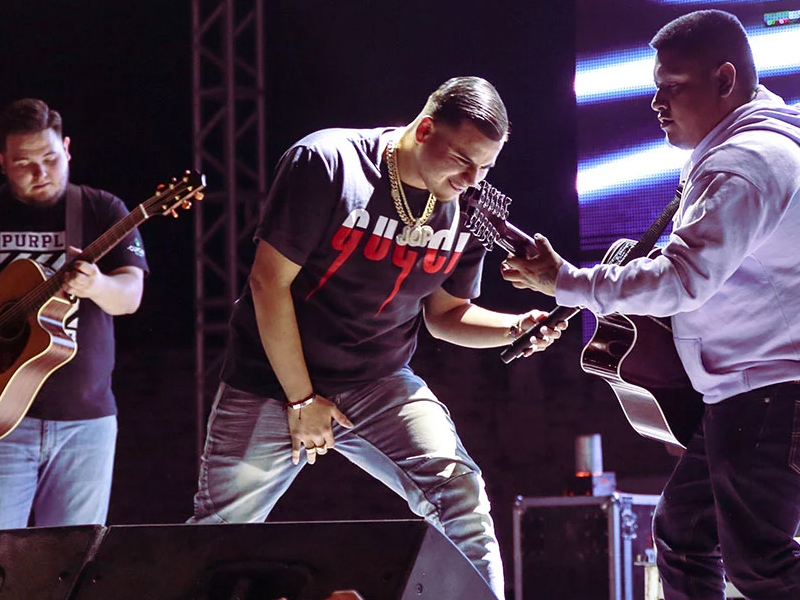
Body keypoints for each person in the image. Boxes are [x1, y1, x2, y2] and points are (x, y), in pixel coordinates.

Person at [188, 76, 563, 598]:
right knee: (216, 541)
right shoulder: (329, 161)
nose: (474, 179)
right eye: (463, 160)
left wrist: (514, 327)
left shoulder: (468, 206)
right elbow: (267, 283)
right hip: (271, 378)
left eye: (487, 166)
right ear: (425, 129)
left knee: (461, 495)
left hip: (379, 378)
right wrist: (301, 398)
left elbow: (447, 314)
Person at [501, 9, 800, 600]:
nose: (657, 103)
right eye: (655, 87)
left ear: (724, 80)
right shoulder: (751, 152)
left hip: (768, 392)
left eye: (673, 86)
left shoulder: (746, 165)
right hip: (746, 395)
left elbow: (682, 278)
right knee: (683, 539)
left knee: (762, 567)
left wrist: (566, 281)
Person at [0, 99, 149, 528]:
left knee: (71, 564)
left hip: (86, 424)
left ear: (67, 148)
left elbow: (130, 296)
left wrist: (96, 285)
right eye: (24, 163)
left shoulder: (101, 210)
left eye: (49, 158)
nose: (40, 173)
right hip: (5, 423)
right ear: (4, 163)